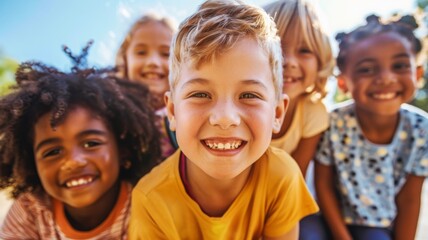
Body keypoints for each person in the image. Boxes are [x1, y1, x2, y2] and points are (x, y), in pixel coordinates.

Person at [129, 0, 319, 239]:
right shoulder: (150, 199)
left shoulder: (282, 176)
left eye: (249, 95)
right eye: (200, 94)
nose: (225, 118)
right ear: (173, 112)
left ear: (277, 113)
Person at [0, 43, 161, 239]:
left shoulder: (145, 204)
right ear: (32, 163)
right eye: (53, 152)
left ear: (123, 149)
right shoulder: (31, 210)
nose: (74, 161)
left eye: (91, 143)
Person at [315, 14, 427, 240]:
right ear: (343, 82)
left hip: (376, 226)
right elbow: (323, 185)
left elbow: (410, 198)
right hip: (327, 219)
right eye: (367, 69)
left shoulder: (420, 129)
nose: (385, 78)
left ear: (417, 74)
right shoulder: (332, 122)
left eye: (399, 66)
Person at [263, 0, 334, 178]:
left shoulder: (313, 112)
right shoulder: (236, 108)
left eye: (304, 50)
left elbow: (295, 178)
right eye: (276, 47)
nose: (289, 61)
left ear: (320, 60)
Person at [116, 13, 178, 160]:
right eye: (141, 52)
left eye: (165, 54)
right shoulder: (113, 118)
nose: (153, 62)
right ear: (125, 60)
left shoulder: (187, 115)